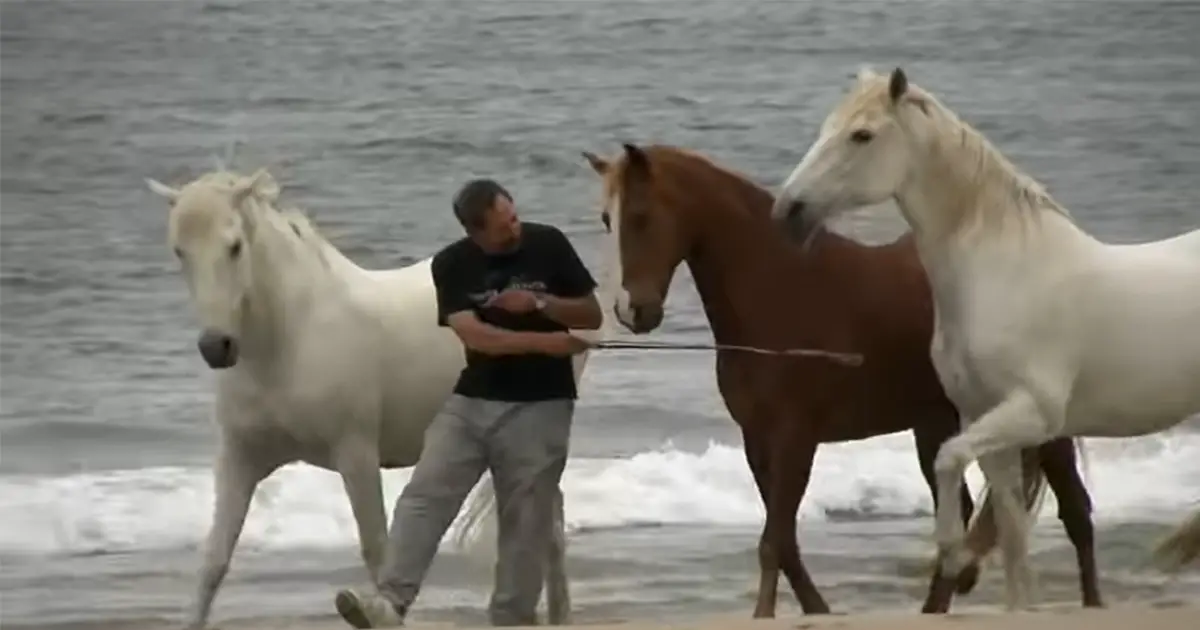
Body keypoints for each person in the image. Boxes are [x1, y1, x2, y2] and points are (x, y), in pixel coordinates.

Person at [333, 178, 602, 628]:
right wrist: (545, 344)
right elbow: (475, 335)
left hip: (543, 405)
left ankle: (511, 618)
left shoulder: (549, 244)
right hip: (471, 399)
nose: (514, 230)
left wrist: (539, 301)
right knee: (423, 496)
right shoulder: (453, 265)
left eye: (514, 218)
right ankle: (389, 603)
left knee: (525, 521)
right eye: (502, 227)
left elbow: (590, 314)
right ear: (476, 232)